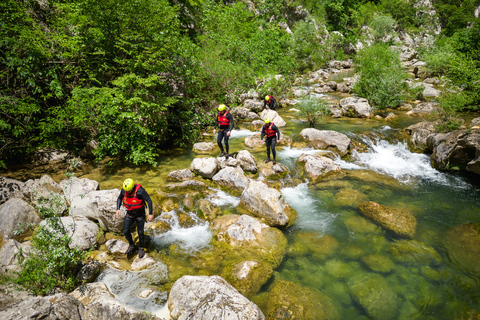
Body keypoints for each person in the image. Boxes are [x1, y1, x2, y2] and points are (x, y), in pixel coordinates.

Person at [116, 178, 153, 258]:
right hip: (130, 214)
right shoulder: (124, 190)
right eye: (126, 190)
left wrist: (150, 213)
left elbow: (149, 200)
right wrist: (118, 208)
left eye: (129, 190)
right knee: (125, 231)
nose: (127, 192)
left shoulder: (140, 191)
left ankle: (141, 248)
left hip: (140, 214)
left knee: (140, 232)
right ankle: (131, 244)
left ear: (132, 187)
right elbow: (119, 198)